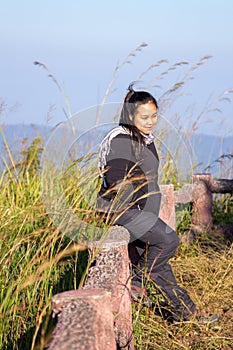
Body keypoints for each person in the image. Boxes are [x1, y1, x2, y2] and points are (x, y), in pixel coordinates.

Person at [97, 83, 219, 323]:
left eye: (154, 115)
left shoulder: (145, 139)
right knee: (167, 240)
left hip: (139, 210)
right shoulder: (121, 140)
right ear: (131, 115)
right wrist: (142, 217)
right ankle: (141, 281)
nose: (151, 121)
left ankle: (182, 310)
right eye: (144, 116)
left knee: (159, 259)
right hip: (120, 209)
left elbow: (149, 180)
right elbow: (116, 182)